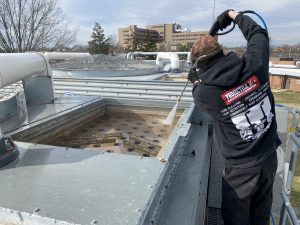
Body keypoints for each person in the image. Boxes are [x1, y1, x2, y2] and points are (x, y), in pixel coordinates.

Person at [188, 10, 281, 225]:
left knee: (235, 219)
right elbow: (258, 33)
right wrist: (234, 15)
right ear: (222, 52)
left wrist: (195, 79)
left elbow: (196, 89)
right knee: (261, 213)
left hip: (240, 171)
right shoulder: (256, 64)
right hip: (268, 157)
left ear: (199, 64)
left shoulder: (205, 94)